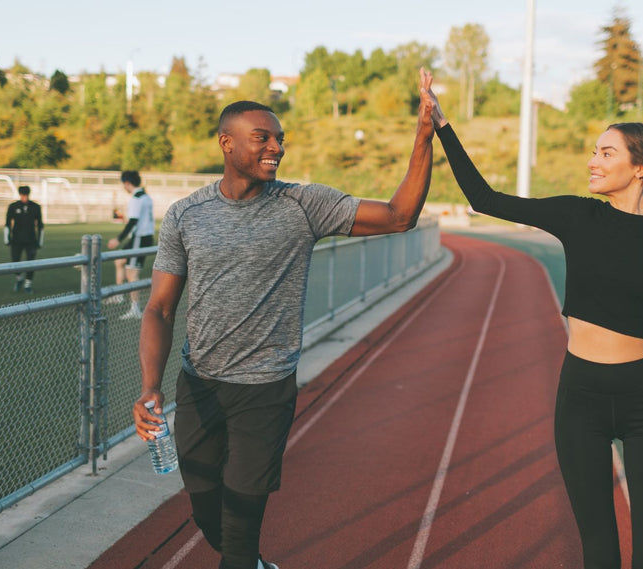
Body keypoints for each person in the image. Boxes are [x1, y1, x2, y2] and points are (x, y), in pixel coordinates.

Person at [424, 85, 643, 568]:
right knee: (601, 554)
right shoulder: (577, 214)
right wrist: (442, 124)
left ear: (640, 167)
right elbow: (484, 198)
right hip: (581, 400)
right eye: (594, 151)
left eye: (606, 152)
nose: (593, 160)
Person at [132, 69, 436, 569]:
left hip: (265, 390)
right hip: (199, 386)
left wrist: (423, 136)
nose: (276, 147)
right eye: (263, 138)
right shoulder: (186, 215)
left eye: (280, 139)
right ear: (227, 144)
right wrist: (150, 386)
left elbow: (400, 216)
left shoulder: (304, 205)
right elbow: (159, 308)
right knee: (207, 509)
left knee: (240, 525)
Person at [107, 170, 155, 318]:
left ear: (127, 183)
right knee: (119, 260)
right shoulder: (146, 196)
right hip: (143, 237)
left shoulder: (136, 199)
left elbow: (133, 221)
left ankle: (135, 308)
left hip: (139, 238)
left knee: (132, 274)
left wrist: (118, 239)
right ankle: (120, 295)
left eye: (123, 184)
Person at [4, 185, 44, 293]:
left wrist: (40, 241)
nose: (25, 197)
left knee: (31, 262)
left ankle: (28, 284)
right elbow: (7, 223)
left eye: (26, 195)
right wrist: (7, 238)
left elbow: (40, 225)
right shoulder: (13, 206)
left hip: (31, 240)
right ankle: (19, 278)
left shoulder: (35, 207)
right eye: (23, 195)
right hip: (16, 240)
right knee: (15, 261)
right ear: (20, 195)